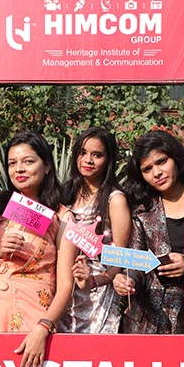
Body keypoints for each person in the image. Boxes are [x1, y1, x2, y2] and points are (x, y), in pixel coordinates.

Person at [0, 131, 75, 367]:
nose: (19, 169)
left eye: (28, 161)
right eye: (12, 163)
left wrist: (43, 328)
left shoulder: (62, 216)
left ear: (47, 166)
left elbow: (66, 284)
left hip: (32, 315)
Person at [113, 130, 184, 334]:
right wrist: (126, 280)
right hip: (147, 321)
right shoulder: (142, 210)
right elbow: (136, 262)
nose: (157, 173)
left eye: (161, 162)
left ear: (176, 158)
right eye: (147, 169)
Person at [59, 126, 131, 333]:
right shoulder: (64, 194)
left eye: (97, 155)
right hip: (62, 289)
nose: (88, 160)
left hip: (97, 295)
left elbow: (121, 259)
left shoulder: (115, 200)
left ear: (108, 160)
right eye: (82, 153)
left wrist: (93, 280)